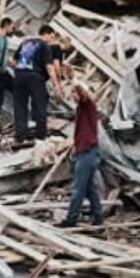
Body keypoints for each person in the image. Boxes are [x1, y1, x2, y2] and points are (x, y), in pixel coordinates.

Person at [59, 82, 103, 228]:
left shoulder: (87, 105)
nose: (72, 96)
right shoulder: (80, 109)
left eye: (74, 93)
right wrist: (75, 146)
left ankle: (71, 219)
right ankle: (98, 217)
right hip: (85, 151)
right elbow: (81, 131)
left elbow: (85, 95)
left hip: (87, 152)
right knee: (90, 189)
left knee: (78, 188)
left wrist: (75, 82)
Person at [11, 25, 63, 143]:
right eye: (52, 36)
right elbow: (50, 67)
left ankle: (21, 135)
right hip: (35, 78)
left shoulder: (24, 43)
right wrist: (56, 85)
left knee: (20, 106)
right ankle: (40, 135)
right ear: (47, 34)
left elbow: (13, 61)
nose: (52, 39)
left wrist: (21, 70)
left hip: (19, 76)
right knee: (40, 105)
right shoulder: (44, 46)